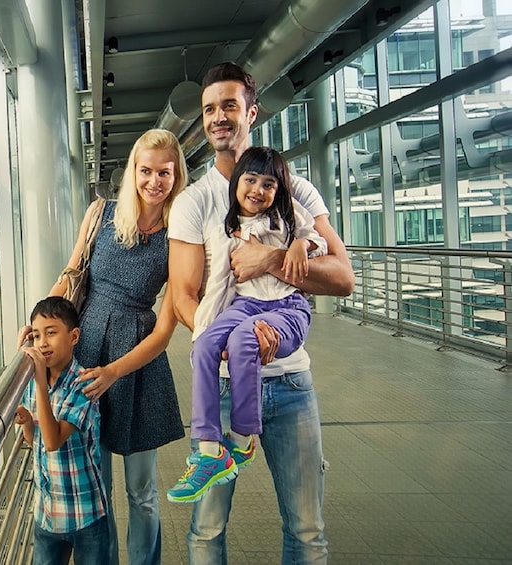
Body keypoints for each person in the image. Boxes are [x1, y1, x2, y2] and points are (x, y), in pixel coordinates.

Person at [168, 62, 355, 564]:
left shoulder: (296, 191)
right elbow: (184, 296)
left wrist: (272, 259)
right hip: (227, 384)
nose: (218, 117)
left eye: (229, 105)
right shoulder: (193, 202)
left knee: (307, 529)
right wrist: (230, 342)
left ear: (252, 112)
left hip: (291, 385)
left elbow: (343, 277)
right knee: (206, 532)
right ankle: (212, 452)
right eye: (209, 109)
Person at [19, 128, 187, 565]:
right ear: (133, 170)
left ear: (176, 175)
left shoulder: (180, 234)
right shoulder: (102, 214)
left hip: (136, 364)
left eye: (164, 172)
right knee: (100, 487)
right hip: (87, 348)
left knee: (142, 489)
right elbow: (71, 274)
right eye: (145, 170)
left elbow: (165, 329)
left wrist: (115, 371)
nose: (154, 181)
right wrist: (36, 325)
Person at [167, 146, 327, 503]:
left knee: (243, 340)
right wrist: (208, 326)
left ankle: (241, 438)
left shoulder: (287, 215)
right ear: (237, 182)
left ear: (278, 190)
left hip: (286, 307)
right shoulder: (230, 224)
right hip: (246, 304)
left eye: (268, 184)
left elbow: (317, 239)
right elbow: (217, 284)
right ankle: (210, 449)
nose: (258, 190)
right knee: (206, 343)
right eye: (250, 180)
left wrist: (299, 247)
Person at [15, 296, 110, 565]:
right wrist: (25, 421)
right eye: (35, 335)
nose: (42, 342)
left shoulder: (84, 384)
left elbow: (54, 440)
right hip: (47, 513)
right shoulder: (35, 383)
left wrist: (38, 380)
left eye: (52, 333)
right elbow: (37, 441)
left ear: (74, 336)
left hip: (86, 513)